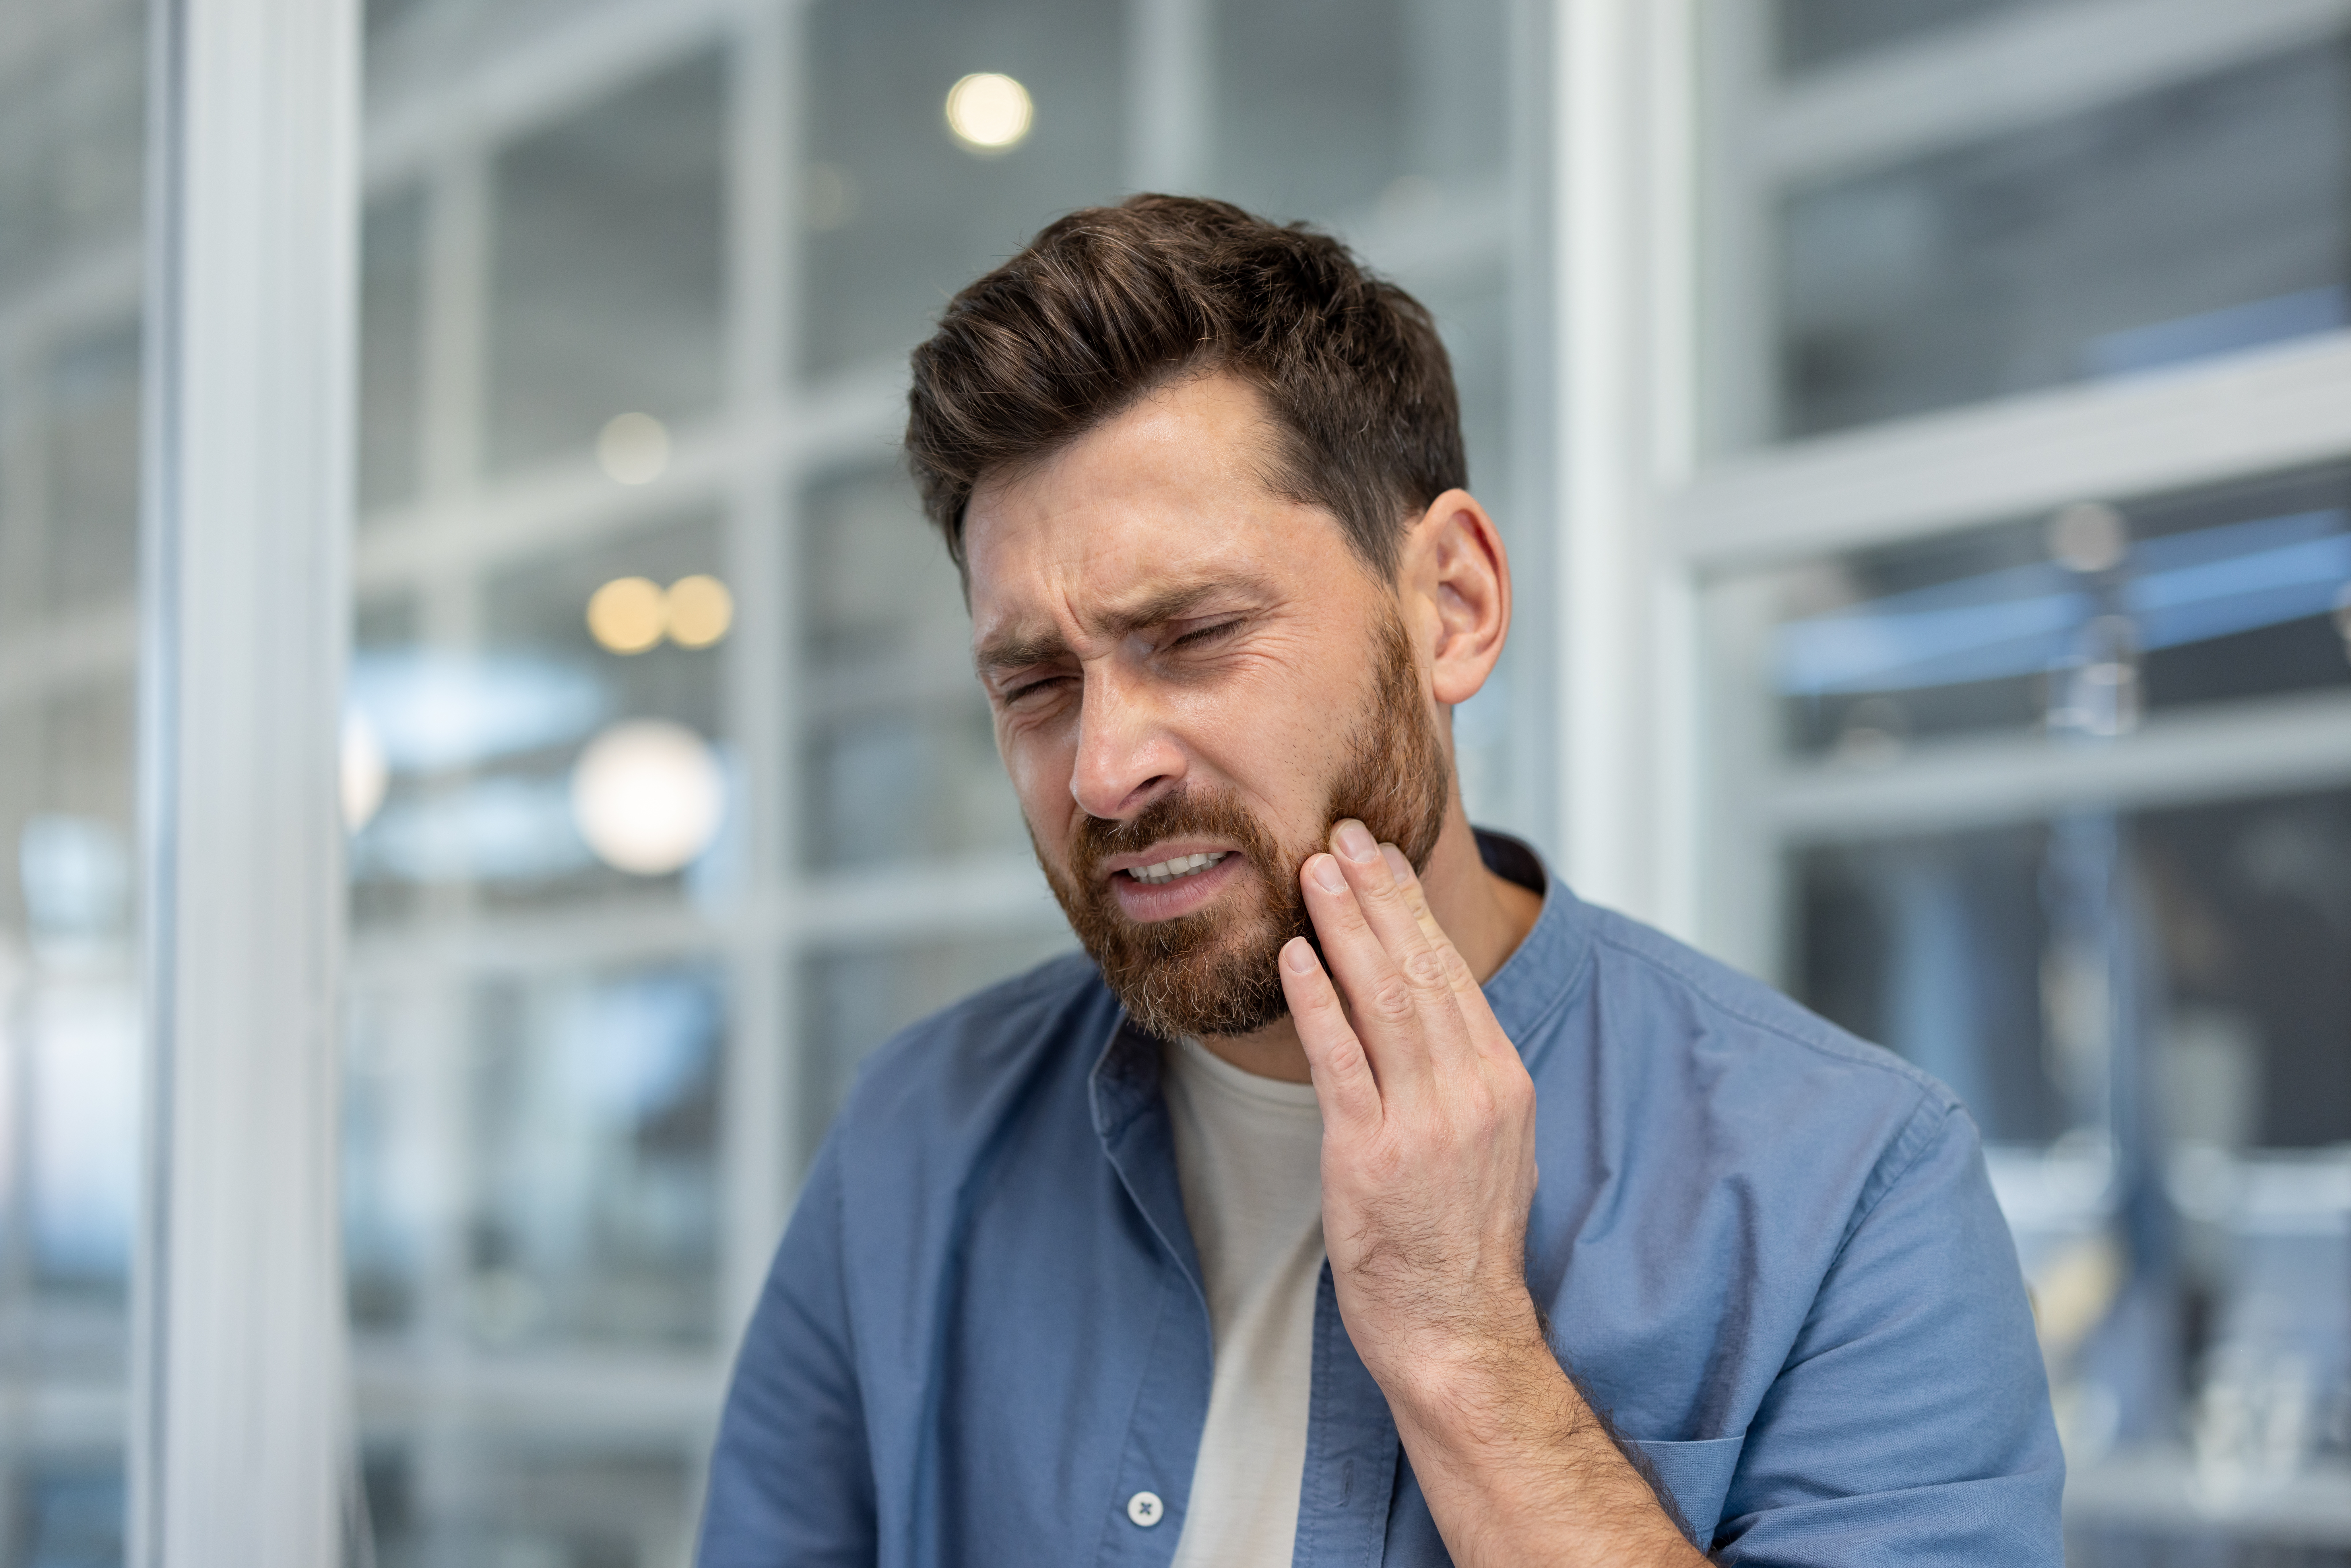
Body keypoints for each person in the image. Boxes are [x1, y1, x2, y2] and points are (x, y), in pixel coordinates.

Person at [697, 195, 2063, 1567]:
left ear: (1451, 606)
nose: (1102, 769)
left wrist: (1464, 1346)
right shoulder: (913, 1137)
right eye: (1035, 683)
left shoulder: (1846, 1189)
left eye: (1195, 634)